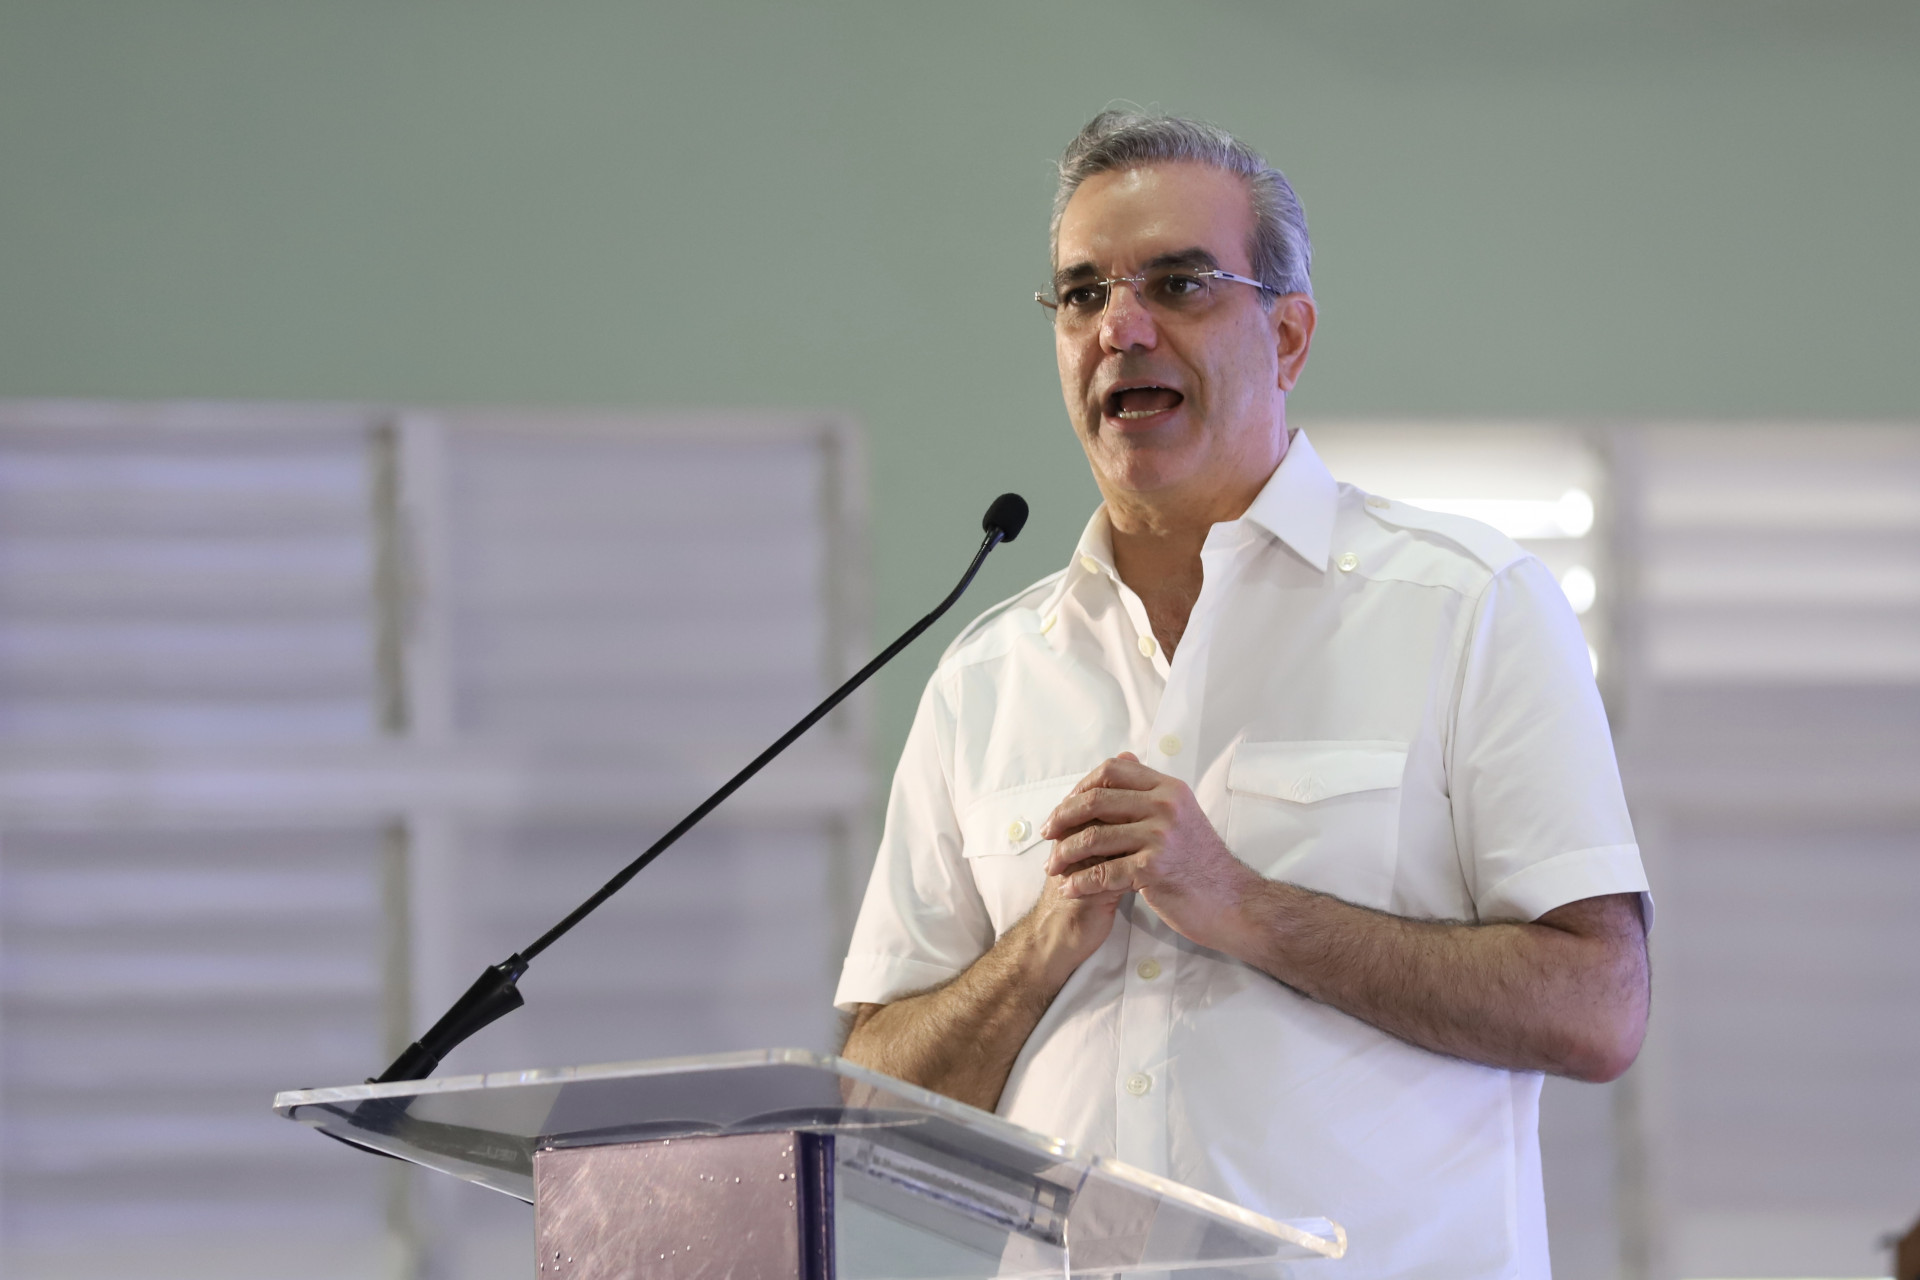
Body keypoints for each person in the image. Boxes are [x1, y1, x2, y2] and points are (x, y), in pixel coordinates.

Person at [835, 109, 1651, 1279]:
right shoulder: (986, 676)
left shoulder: (1467, 605)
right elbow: (873, 1103)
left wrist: (1243, 904)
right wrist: (1040, 944)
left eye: (1178, 284)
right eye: (1081, 294)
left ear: (1289, 334)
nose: (1119, 327)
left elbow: (1600, 1004)